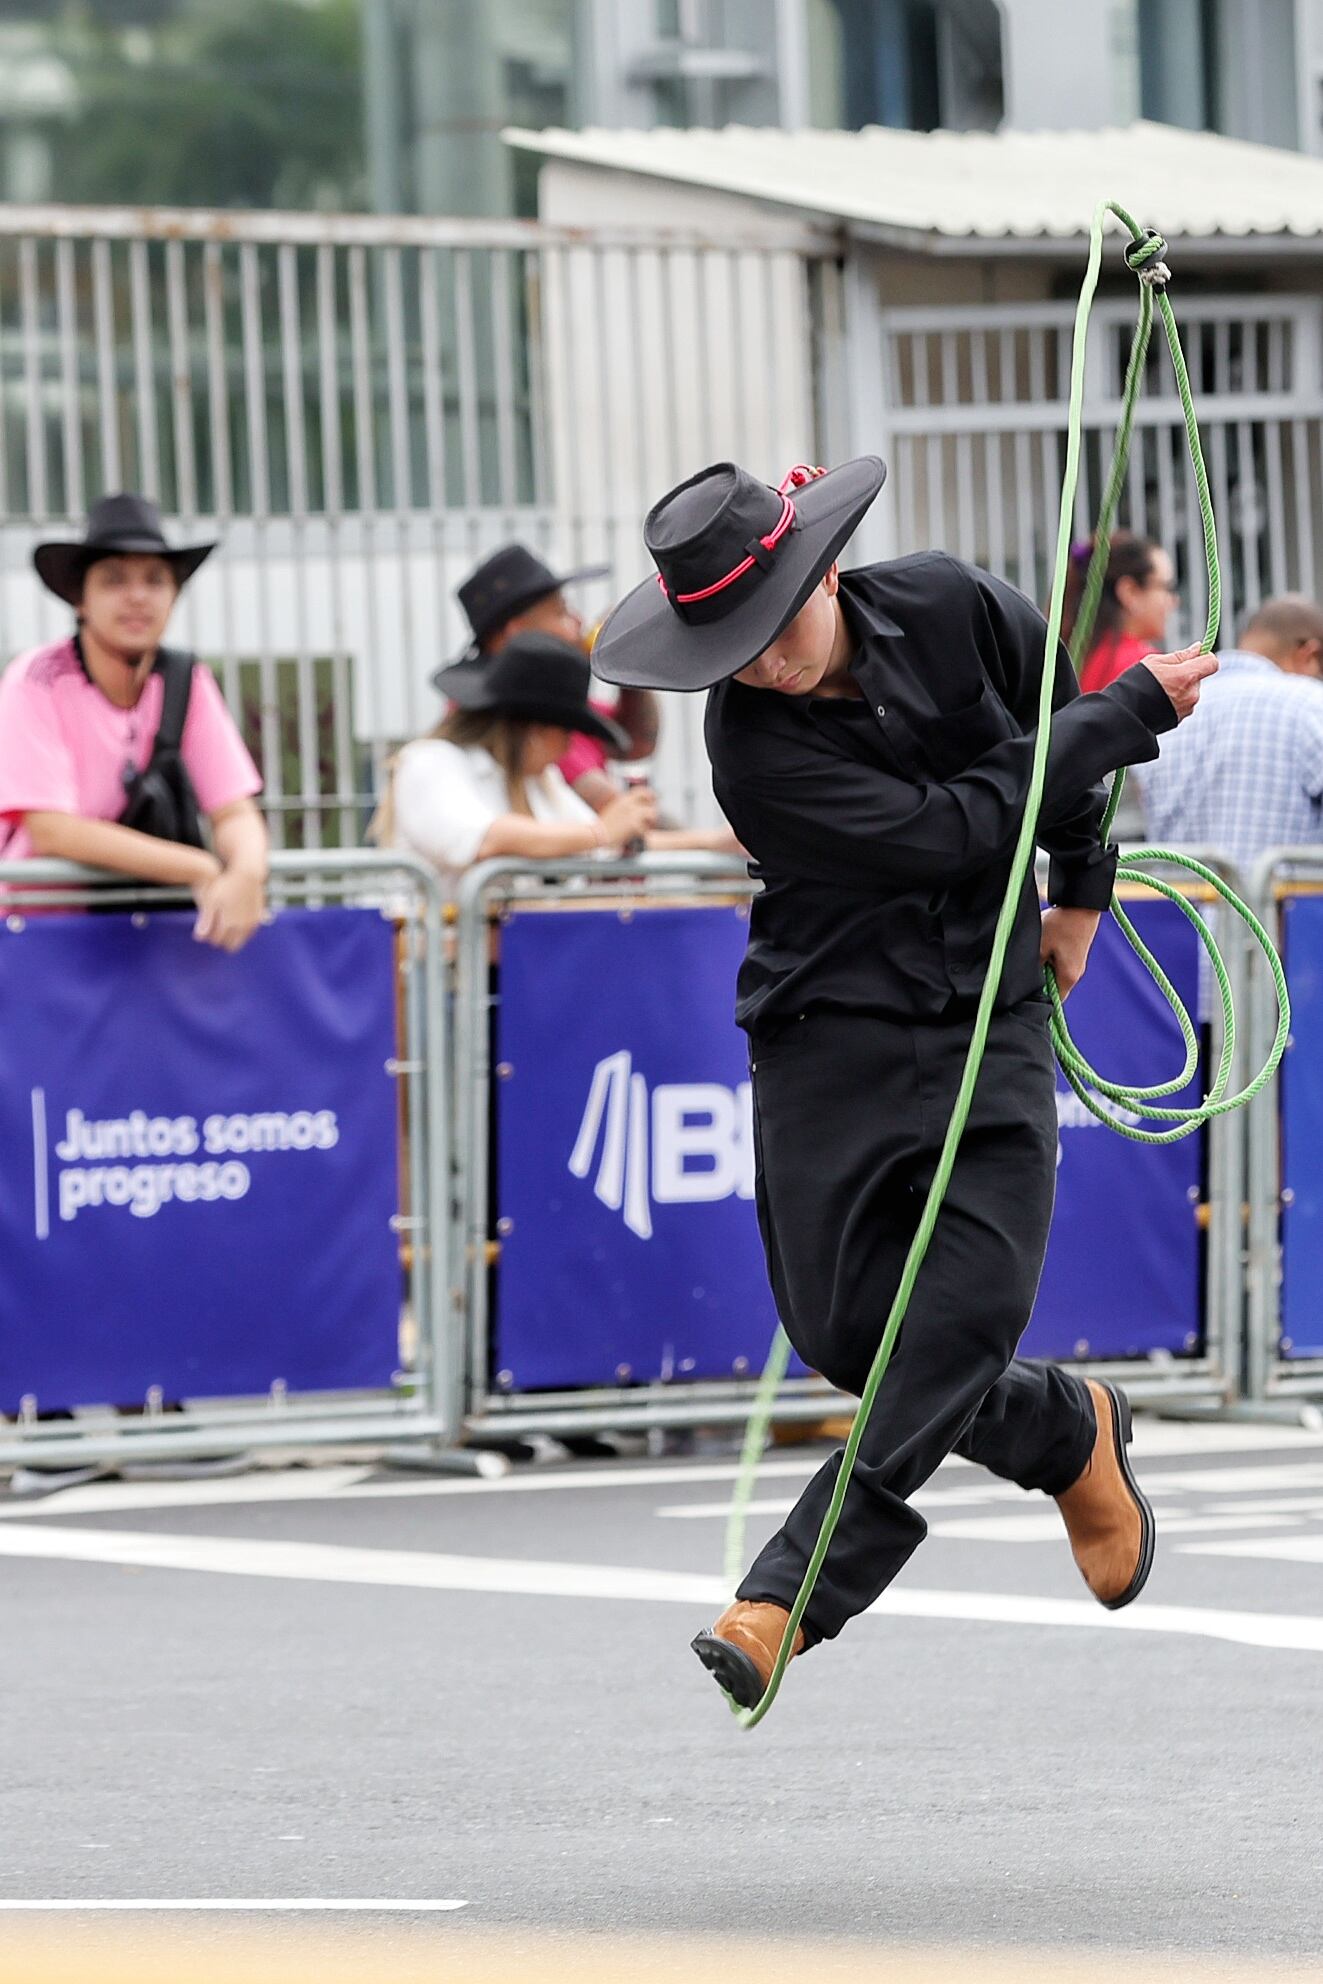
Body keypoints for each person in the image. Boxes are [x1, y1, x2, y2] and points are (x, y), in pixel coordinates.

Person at [592, 457, 1216, 1710]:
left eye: (775, 627)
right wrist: (1124, 708)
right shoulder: (752, 754)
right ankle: (1063, 1430)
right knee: (848, 1336)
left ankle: (784, 1597)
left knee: (966, 1310)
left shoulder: (950, 603)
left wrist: (1084, 888)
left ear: (822, 569)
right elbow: (957, 828)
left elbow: (1049, 738)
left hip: (992, 1015)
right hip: (831, 1030)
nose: (761, 661)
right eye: (732, 645)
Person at [0, 493, 267, 951]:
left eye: (155, 579)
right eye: (113, 580)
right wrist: (200, 868)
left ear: (174, 595)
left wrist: (246, 872)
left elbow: (234, 809)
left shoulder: (187, 678)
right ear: (79, 599)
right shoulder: (37, 678)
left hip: (147, 940)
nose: (138, 596)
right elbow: (52, 829)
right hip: (38, 937)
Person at [380, 631, 657, 900]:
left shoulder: (538, 778)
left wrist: (694, 841)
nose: (570, 746)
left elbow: (593, 839)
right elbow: (486, 839)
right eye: (567, 731)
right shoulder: (431, 761)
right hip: (434, 945)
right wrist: (602, 832)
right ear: (534, 730)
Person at [443, 542, 659, 811]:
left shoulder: (545, 693)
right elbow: (608, 808)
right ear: (518, 632)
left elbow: (634, 743)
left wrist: (626, 668)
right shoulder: (504, 710)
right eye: (562, 612)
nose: (579, 622)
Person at [1132, 594, 1323, 866]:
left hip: (1179, 905)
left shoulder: (1167, 716)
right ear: (1309, 656)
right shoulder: (1311, 704)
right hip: (1279, 907)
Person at [1065, 529, 1179, 694]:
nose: (1174, 600)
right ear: (1130, 592)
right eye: (1166, 588)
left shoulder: (1076, 658)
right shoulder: (1144, 667)